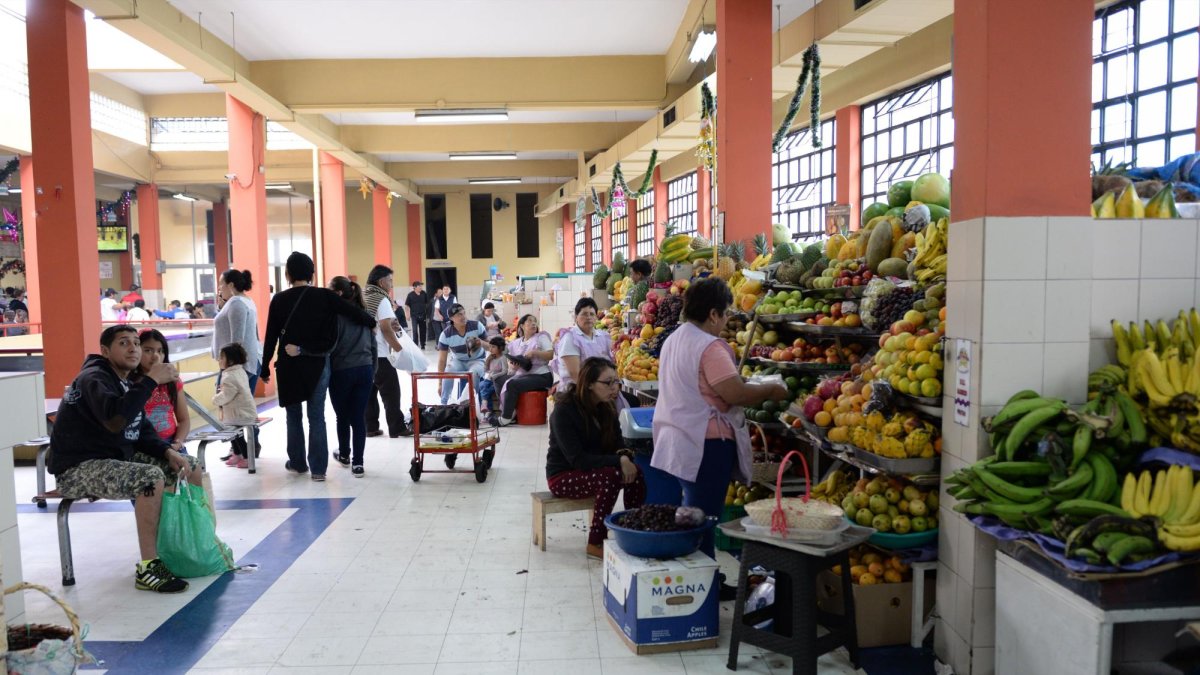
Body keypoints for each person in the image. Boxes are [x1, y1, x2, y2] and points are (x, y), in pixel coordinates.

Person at [48, 325, 202, 593]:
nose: (133, 348)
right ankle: (149, 566)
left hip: (113, 457)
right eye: (124, 343)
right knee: (149, 477)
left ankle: (195, 544)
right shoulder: (94, 379)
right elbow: (115, 420)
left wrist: (168, 451)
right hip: (78, 467)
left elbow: (140, 430)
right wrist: (151, 380)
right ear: (106, 351)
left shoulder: (126, 381)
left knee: (191, 466)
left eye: (135, 343)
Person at [652, 277, 791, 559]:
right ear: (713, 313)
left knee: (693, 513)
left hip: (678, 438)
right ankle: (704, 586)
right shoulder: (710, 346)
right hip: (706, 445)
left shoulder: (673, 339)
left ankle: (702, 578)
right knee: (703, 518)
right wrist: (771, 389)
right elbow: (734, 394)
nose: (726, 319)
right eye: (726, 312)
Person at [260, 252, 375, 481]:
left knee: (293, 416)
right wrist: (370, 323)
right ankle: (319, 470)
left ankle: (298, 463)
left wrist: (264, 369)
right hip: (318, 365)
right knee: (316, 416)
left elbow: (271, 337)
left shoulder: (279, 300)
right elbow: (358, 314)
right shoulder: (324, 296)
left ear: (288, 274)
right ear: (312, 274)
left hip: (289, 366)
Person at [545, 357, 645, 559]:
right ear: (589, 383)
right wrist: (619, 461)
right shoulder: (564, 411)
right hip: (563, 475)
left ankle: (634, 528)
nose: (614, 388)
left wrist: (624, 458)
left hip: (596, 469)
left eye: (616, 382)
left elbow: (619, 445)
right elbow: (578, 460)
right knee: (611, 476)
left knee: (637, 473)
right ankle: (595, 541)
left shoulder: (606, 408)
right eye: (607, 382)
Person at [310, 277, 377, 477]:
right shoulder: (364, 316)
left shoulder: (335, 318)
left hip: (342, 372)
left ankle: (345, 454)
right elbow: (373, 347)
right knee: (358, 418)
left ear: (338, 293)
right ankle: (358, 463)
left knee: (342, 416)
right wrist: (372, 372)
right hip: (364, 369)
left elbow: (329, 347)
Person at [363, 265, 413, 438]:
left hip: (363, 355)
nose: (392, 285)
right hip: (380, 355)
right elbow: (385, 327)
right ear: (381, 281)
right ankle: (397, 428)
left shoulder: (364, 296)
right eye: (390, 281)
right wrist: (399, 349)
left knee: (369, 393)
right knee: (391, 393)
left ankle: (370, 427)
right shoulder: (381, 299)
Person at [137, 328, 191, 454]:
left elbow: (184, 420)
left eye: (160, 351)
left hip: (171, 441)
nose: (155, 356)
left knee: (192, 468)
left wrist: (177, 443)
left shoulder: (172, 381)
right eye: (148, 350)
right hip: (143, 446)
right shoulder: (131, 383)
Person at [497, 314, 554, 426]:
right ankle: (511, 412)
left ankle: (506, 418)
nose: (533, 323)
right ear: (522, 325)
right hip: (524, 375)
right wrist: (513, 365)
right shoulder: (516, 342)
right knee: (499, 380)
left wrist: (535, 352)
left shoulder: (541, 337)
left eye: (535, 321)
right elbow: (511, 359)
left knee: (512, 384)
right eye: (530, 321)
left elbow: (550, 355)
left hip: (542, 376)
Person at [552, 297, 616, 391]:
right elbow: (575, 374)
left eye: (592, 314)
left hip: (600, 389)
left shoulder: (603, 336)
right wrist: (597, 391)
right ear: (576, 317)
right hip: (576, 390)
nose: (588, 317)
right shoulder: (570, 338)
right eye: (584, 314)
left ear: (596, 317)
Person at [213, 343, 258, 468]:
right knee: (232, 431)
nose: (219, 360)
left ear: (231, 361)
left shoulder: (229, 376)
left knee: (237, 435)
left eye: (221, 358)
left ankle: (247, 457)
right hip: (243, 411)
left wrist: (215, 399)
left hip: (239, 414)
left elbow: (227, 395)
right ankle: (237, 454)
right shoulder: (239, 371)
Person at [436, 303, 487, 404]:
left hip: (477, 360)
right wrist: (440, 383)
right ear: (451, 318)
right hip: (458, 361)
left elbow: (490, 346)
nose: (463, 317)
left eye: (464, 313)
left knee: (473, 373)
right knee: (449, 369)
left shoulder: (477, 326)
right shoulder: (445, 335)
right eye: (459, 315)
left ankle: (472, 404)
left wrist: (480, 343)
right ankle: (444, 404)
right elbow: (442, 361)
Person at [476, 336, 508, 416]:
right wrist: (487, 361)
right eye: (490, 346)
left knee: (485, 388)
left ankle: (486, 408)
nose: (490, 349)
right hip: (489, 379)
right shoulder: (491, 357)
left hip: (497, 381)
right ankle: (486, 409)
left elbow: (505, 371)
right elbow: (486, 370)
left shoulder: (502, 358)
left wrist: (496, 376)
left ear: (500, 348)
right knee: (482, 385)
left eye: (493, 347)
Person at [403, 281, 428, 348]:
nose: (421, 287)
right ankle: (415, 345)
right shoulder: (410, 295)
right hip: (414, 316)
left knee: (423, 330)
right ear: (414, 287)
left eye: (421, 286)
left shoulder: (424, 293)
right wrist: (407, 315)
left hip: (423, 315)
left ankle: (423, 344)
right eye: (419, 286)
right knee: (415, 330)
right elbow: (406, 306)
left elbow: (426, 304)